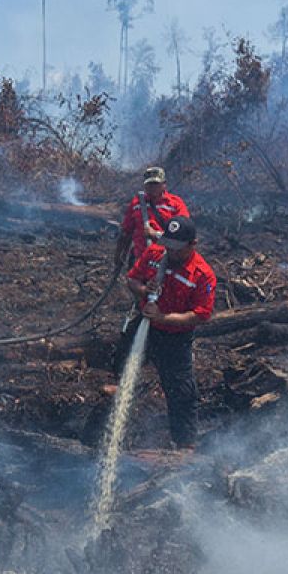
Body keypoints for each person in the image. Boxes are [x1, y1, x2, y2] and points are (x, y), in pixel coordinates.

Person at [122, 215, 216, 450]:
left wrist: (163, 317)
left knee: (181, 391)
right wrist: (144, 290)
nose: (171, 253)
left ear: (192, 245)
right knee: (122, 363)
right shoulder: (155, 254)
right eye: (169, 247)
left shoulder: (202, 275)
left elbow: (200, 315)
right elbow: (132, 279)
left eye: (177, 249)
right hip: (145, 325)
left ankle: (184, 444)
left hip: (175, 337)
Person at [115, 166, 190, 265]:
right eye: (149, 184)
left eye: (156, 184)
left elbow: (183, 232)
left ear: (164, 184)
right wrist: (119, 254)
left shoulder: (175, 204)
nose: (152, 187)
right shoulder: (137, 203)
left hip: (166, 259)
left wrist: (156, 234)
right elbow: (126, 231)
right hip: (140, 259)